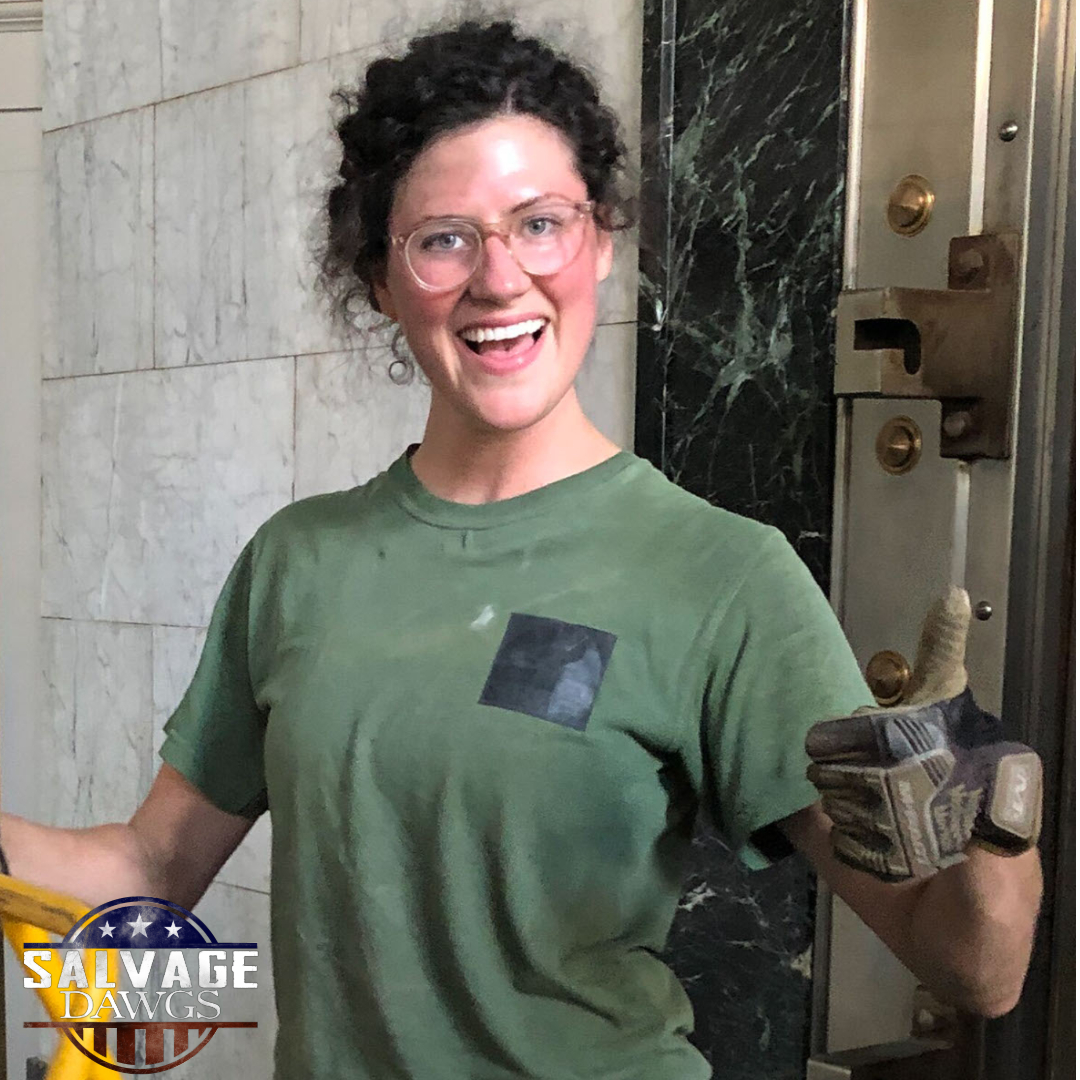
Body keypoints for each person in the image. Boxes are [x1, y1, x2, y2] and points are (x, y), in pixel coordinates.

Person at [3, 18, 1043, 1080]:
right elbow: (150, 872)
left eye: (540, 223)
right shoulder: (297, 561)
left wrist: (977, 827)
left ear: (600, 242)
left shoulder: (723, 575)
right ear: (380, 280)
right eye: (444, 239)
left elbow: (977, 972)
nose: (500, 279)